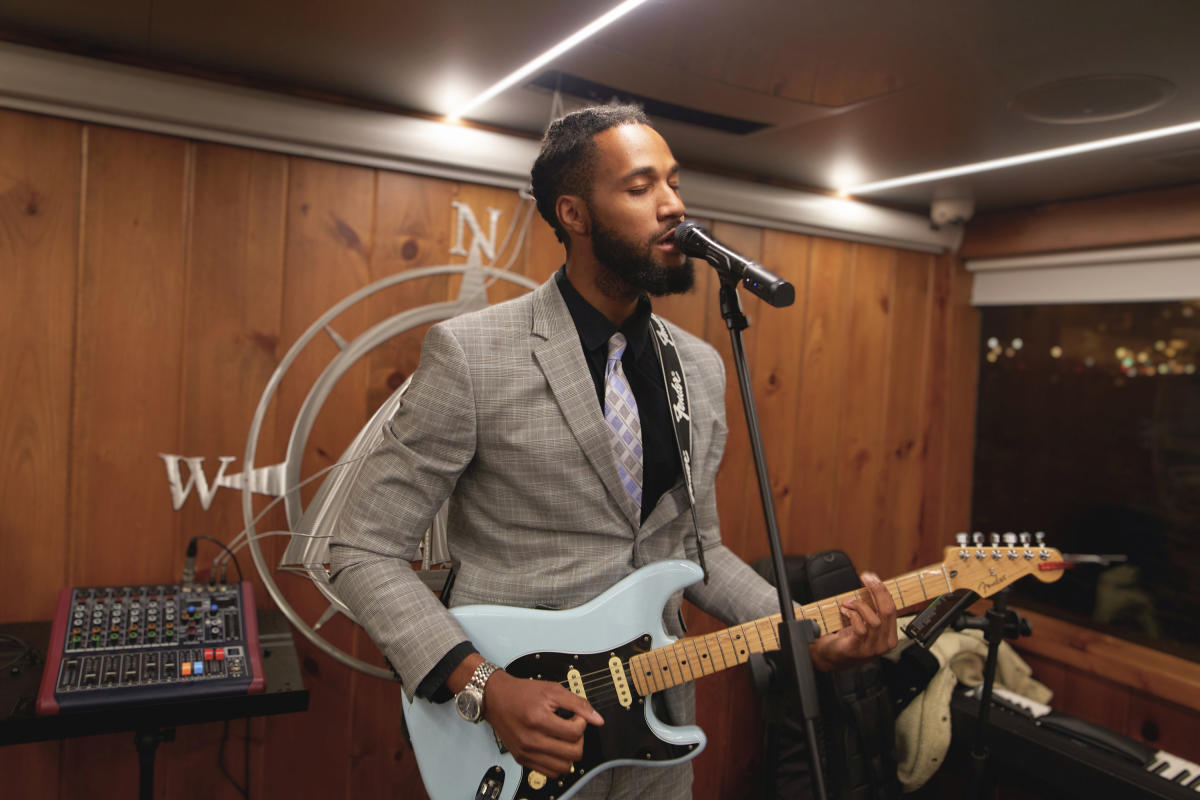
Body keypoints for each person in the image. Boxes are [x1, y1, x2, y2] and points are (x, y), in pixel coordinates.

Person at [329, 104, 898, 799]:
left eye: (674, 183)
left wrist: (804, 636)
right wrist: (486, 686)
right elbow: (361, 546)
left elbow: (697, 550)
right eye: (640, 187)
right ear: (574, 213)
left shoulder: (699, 369)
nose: (673, 206)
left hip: (656, 733)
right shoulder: (474, 354)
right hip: (516, 727)